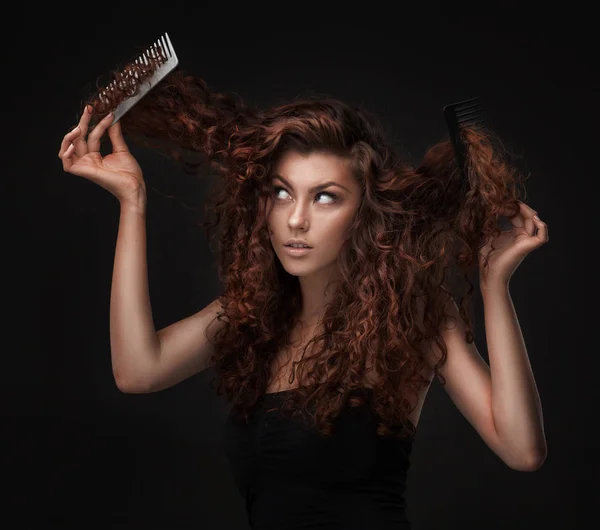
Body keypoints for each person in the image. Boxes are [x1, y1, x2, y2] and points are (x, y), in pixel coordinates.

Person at [58, 65, 548, 529]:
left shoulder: (412, 317)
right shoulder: (251, 316)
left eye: (326, 196)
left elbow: (522, 449)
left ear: (365, 211)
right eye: (282, 192)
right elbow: (137, 371)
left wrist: (493, 283)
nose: (296, 219)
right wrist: (132, 202)